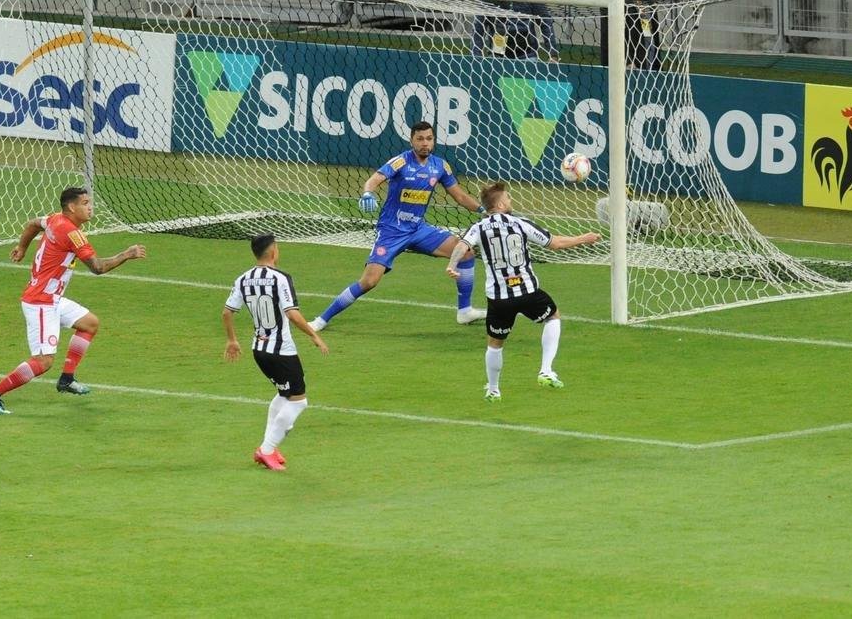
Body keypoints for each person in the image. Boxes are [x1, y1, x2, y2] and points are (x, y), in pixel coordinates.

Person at [0, 186, 146, 414]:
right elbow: (97, 268)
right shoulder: (73, 234)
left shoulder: (54, 219)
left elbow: (32, 223)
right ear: (71, 207)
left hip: (52, 298)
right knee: (44, 361)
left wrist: (22, 247)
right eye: (85, 203)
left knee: (90, 323)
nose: (90, 207)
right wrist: (126, 255)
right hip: (41, 302)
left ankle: (67, 379)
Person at [309, 120, 487, 331]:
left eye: (429, 139)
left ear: (434, 141)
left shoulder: (440, 166)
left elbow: (459, 195)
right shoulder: (400, 162)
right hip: (391, 231)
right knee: (369, 281)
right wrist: (367, 192)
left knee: (465, 251)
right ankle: (320, 320)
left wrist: (483, 211)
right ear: (411, 140)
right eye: (420, 139)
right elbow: (374, 179)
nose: (425, 143)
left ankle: (464, 311)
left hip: (418, 229)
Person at [446, 181, 600, 401]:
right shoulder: (520, 223)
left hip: (499, 298)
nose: (510, 201)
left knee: (495, 343)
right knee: (553, 317)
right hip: (527, 291)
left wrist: (452, 265)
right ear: (499, 205)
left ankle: (493, 389)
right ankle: (546, 369)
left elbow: (461, 247)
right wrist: (582, 239)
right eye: (507, 198)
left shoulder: (478, 228)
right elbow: (554, 243)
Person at [222, 233, 328, 471]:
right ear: (273, 251)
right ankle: (267, 450)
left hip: (258, 349)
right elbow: (292, 313)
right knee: (299, 401)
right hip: (282, 350)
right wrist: (313, 335)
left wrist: (232, 340)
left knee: (283, 395)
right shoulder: (281, 278)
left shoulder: (242, 279)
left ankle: (269, 447)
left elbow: (227, 312)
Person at [471, 0, 559, 60]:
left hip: (527, 54)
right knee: (500, 32)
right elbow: (478, 28)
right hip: (498, 53)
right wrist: (476, 56)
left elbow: (545, 22)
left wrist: (553, 53)